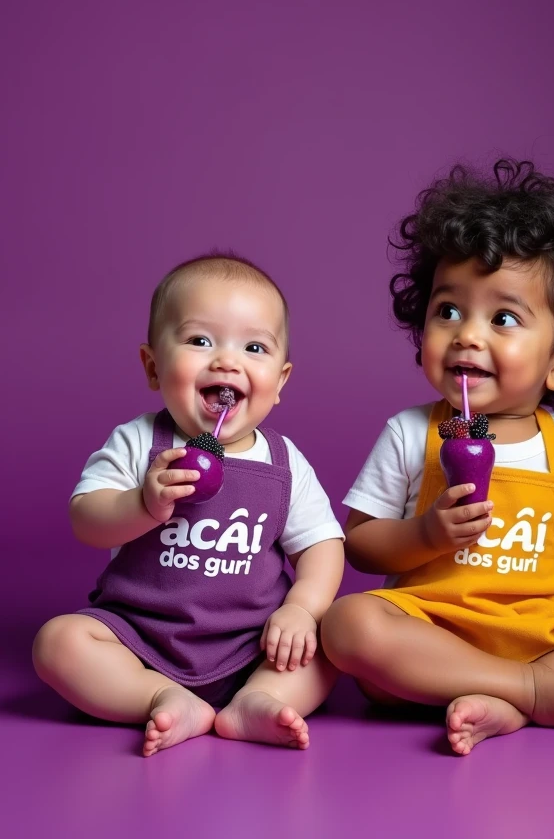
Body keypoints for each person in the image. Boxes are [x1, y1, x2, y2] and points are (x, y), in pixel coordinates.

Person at [321, 159, 554, 755]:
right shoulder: (412, 432)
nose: (467, 334)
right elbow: (360, 543)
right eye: (448, 310)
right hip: (430, 629)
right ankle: (529, 693)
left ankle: (504, 696)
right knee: (346, 624)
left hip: (538, 630)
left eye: (503, 318)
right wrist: (425, 535)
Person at [33, 253, 344, 756]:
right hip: (139, 639)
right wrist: (141, 504)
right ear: (153, 366)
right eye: (200, 341)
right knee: (57, 644)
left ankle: (257, 700)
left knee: (330, 645)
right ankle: (161, 696)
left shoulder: (284, 462)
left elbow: (323, 546)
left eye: (254, 347)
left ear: (281, 381)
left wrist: (302, 610)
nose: (226, 360)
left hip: (254, 644)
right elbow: (86, 519)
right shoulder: (139, 441)